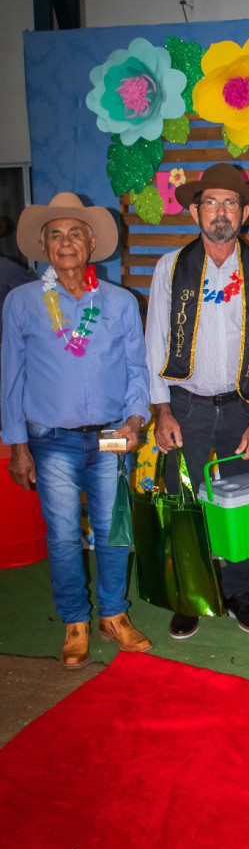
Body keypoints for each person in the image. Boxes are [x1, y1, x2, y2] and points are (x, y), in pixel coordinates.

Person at [1, 193, 152, 668]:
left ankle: (113, 615)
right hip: (52, 440)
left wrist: (134, 419)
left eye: (75, 234)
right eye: (56, 235)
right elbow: (11, 376)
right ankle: (74, 622)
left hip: (109, 435)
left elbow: (136, 370)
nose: (66, 243)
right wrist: (16, 446)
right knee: (63, 535)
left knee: (113, 532)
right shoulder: (22, 302)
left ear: (91, 242)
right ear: (43, 245)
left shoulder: (121, 302)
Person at [145, 164, 249, 641]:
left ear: (245, 213)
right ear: (195, 210)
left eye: (229, 204)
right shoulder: (170, 268)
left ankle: (239, 591)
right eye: (210, 203)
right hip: (187, 407)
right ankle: (189, 593)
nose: (220, 212)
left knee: (240, 502)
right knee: (185, 501)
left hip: (243, 406)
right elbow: (156, 342)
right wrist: (161, 411)